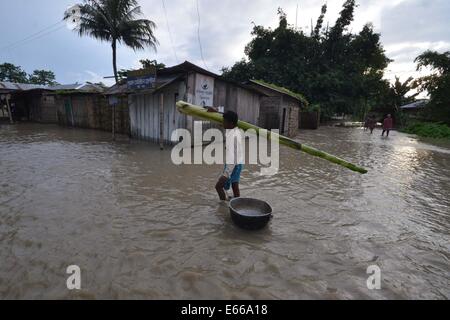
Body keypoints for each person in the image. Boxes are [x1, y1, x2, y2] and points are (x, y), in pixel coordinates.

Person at [207, 108, 244, 201]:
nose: (222, 123)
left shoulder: (234, 137)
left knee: (218, 187)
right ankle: (238, 204)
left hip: (234, 164)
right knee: (235, 185)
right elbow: (229, 116)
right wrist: (216, 112)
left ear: (231, 123)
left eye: (224, 122)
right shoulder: (233, 130)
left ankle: (222, 206)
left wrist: (226, 174)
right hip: (239, 163)